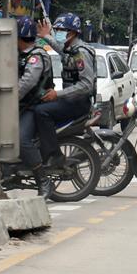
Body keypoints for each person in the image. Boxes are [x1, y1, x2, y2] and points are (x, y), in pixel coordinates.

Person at [36, 13, 96, 167]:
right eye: (57, 30)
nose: (59, 33)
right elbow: (58, 47)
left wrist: (57, 94)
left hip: (78, 103)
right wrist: (46, 36)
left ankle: (54, 155)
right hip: (70, 100)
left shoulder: (80, 53)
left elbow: (86, 85)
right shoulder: (70, 49)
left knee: (41, 112)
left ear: (73, 32)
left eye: (62, 30)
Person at [16, 16, 55, 197]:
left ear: (20, 36)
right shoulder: (21, 55)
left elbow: (27, 82)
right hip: (23, 106)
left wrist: (10, 98)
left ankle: (43, 179)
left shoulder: (36, 56)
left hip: (35, 106)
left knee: (21, 139)